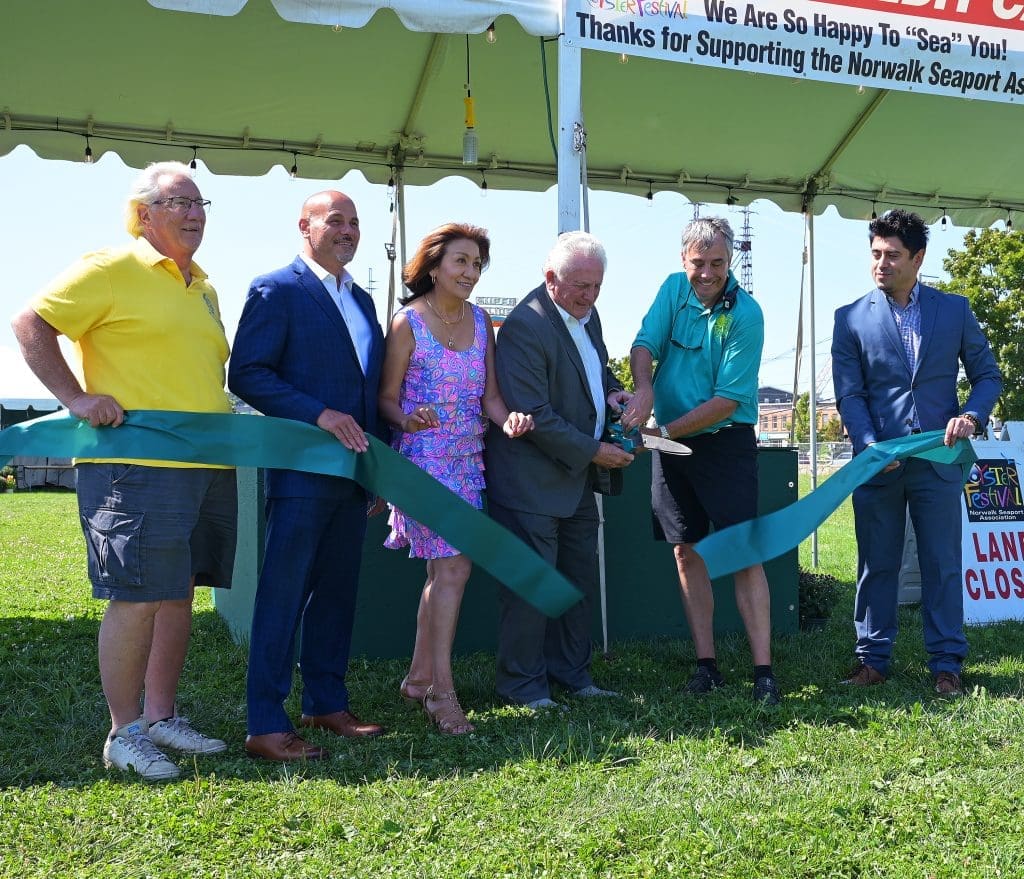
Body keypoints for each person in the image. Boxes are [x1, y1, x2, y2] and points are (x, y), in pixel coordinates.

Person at [10, 161, 237, 781]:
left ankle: (162, 716)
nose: (194, 213)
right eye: (179, 202)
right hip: (133, 465)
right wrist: (76, 398)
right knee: (136, 597)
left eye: (200, 204)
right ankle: (123, 731)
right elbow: (31, 323)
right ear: (144, 213)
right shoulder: (110, 266)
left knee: (180, 591)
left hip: (204, 464)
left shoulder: (205, 287)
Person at [228, 190, 386, 761]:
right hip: (299, 472)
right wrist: (317, 414)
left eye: (354, 223)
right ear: (305, 226)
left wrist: (373, 470)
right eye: (334, 221)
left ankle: (325, 703)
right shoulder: (277, 288)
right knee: (282, 596)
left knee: (337, 595)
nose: (347, 231)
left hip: (353, 476)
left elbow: (369, 390)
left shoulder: (364, 300)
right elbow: (246, 372)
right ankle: (266, 724)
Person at [831, 209, 1001, 696]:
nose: (880, 264)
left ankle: (947, 663)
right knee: (875, 564)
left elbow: (987, 375)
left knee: (941, 564)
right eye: (875, 255)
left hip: (940, 461)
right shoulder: (849, 319)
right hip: (878, 463)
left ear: (918, 258)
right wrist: (871, 447)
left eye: (892, 255)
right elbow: (850, 395)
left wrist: (972, 415)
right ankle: (871, 660)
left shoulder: (955, 310)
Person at [378, 222, 533, 734]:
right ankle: (441, 694)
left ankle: (419, 679)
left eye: (476, 264)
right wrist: (408, 418)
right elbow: (386, 398)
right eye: (461, 262)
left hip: (468, 463)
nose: (470, 273)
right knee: (453, 570)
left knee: (442, 574)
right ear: (434, 266)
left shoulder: (483, 320)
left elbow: (489, 398)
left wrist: (507, 418)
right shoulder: (407, 322)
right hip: (421, 464)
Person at [624, 216, 779, 706]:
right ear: (682, 260)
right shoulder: (673, 289)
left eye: (717, 263)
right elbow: (644, 344)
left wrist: (661, 432)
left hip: (723, 439)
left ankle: (764, 673)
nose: (707, 273)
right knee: (684, 549)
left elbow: (728, 401)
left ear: (730, 261)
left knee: (742, 552)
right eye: (699, 263)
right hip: (668, 441)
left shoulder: (747, 314)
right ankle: (706, 666)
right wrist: (644, 387)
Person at [485, 231, 634, 710]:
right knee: (531, 589)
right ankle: (523, 688)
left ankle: (572, 675)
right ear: (550, 278)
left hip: (573, 482)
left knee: (576, 583)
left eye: (597, 286)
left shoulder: (587, 317)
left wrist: (614, 392)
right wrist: (595, 451)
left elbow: (597, 372)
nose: (589, 297)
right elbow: (534, 414)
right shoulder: (525, 326)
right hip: (530, 482)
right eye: (580, 287)